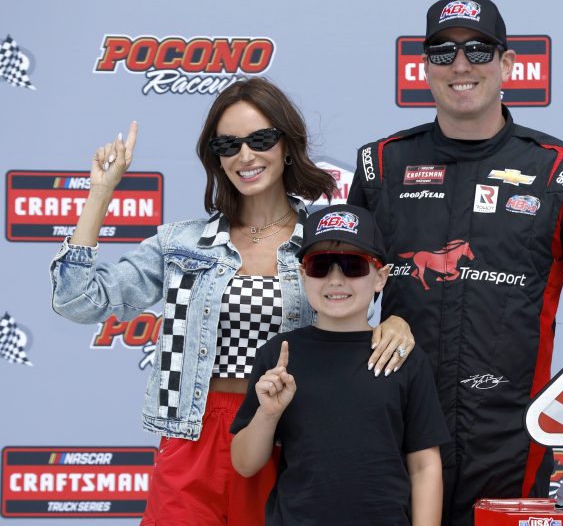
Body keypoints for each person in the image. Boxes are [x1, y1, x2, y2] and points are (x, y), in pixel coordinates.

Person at [348, 0, 563, 525]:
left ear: (508, 63)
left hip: (510, 436)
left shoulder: (561, 173)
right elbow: (336, 294)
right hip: (396, 426)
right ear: (425, 67)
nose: (461, 65)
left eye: (478, 49)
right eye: (443, 52)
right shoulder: (382, 164)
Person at [49, 78, 412, 525]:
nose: (245, 156)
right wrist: (101, 193)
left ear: (287, 145)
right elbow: (78, 302)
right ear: (215, 156)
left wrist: (399, 321)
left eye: (260, 139)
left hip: (290, 442)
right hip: (191, 439)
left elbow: (369, 297)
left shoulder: (325, 239)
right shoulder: (181, 243)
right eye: (228, 144)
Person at [230, 204, 449, 526]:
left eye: (353, 265)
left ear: (380, 277)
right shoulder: (279, 354)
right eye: (320, 266)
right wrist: (268, 413)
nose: (336, 279)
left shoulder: (403, 357)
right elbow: (245, 464)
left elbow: (425, 465)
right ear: (303, 275)